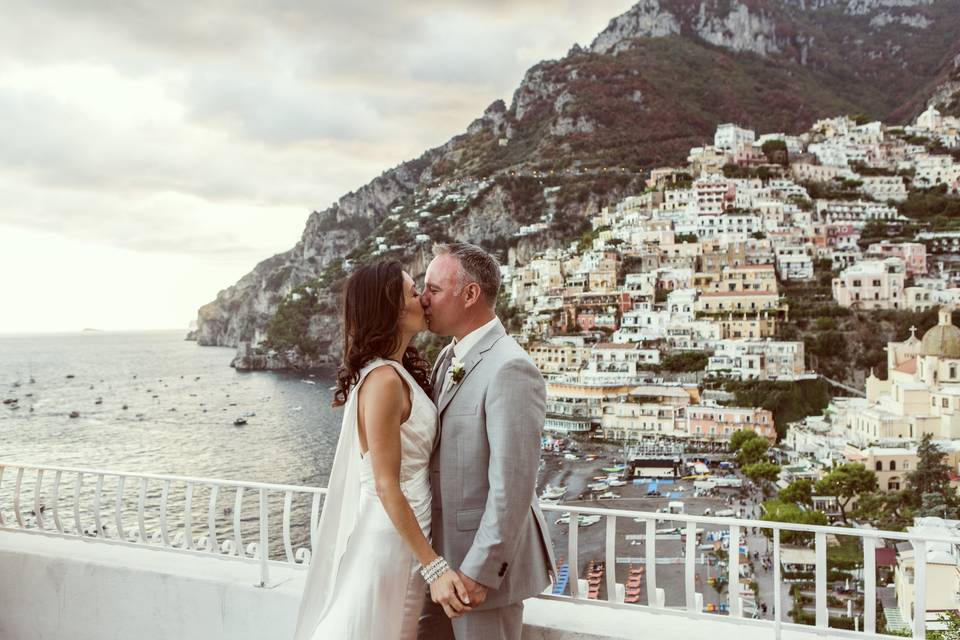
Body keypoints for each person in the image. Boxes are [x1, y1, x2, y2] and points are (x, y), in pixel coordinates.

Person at [293, 260, 469, 640]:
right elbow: (386, 483)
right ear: (389, 308)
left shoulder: (393, 370)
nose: (422, 298)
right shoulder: (385, 380)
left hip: (404, 531)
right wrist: (433, 567)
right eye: (411, 292)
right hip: (392, 539)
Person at [417, 242, 556, 640]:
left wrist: (480, 572)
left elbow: (512, 487)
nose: (423, 299)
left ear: (470, 294)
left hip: (478, 579)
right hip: (440, 567)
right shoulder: (448, 357)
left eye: (434, 289)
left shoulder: (510, 367)